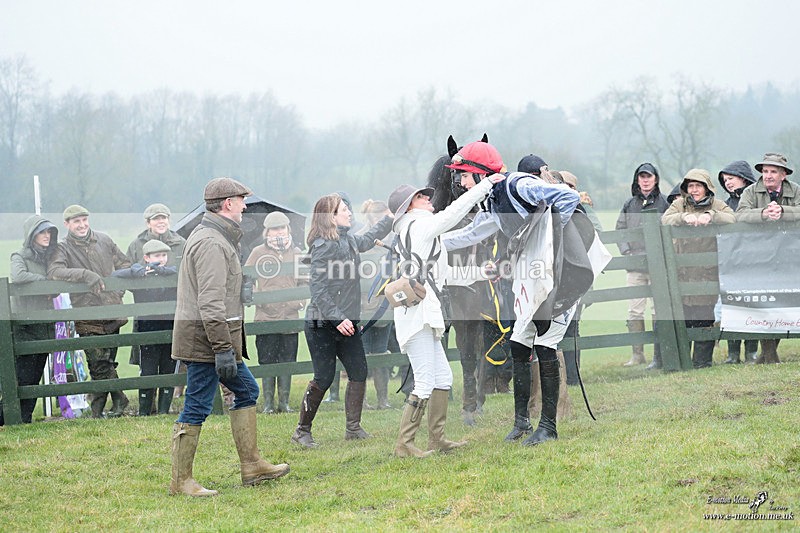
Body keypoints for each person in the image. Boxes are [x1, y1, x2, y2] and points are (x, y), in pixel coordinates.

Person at [442, 142, 605, 447]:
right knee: (519, 343)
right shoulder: (492, 201)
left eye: (464, 175)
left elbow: (568, 197)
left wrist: (550, 243)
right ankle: (520, 423)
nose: (461, 182)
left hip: (561, 273)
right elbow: (472, 234)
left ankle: (548, 425)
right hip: (533, 275)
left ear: (480, 174)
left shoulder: (519, 185)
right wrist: (434, 240)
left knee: (545, 344)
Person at [170, 177, 289, 497]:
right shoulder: (211, 241)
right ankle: (181, 482)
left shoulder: (218, 237)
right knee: (196, 405)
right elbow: (208, 302)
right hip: (206, 342)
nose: (246, 206)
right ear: (227, 204)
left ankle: (252, 466)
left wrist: (240, 291)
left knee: (247, 389)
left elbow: (217, 292)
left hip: (213, 339)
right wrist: (223, 350)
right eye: (241, 200)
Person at [388, 176, 503, 458]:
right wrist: (486, 186)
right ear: (408, 207)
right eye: (420, 197)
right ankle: (404, 445)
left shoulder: (418, 231)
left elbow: (445, 276)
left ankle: (436, 439)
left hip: (424, 314)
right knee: (426, 380)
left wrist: (480, 273)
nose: (428, 198)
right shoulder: (419, 224)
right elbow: (454, 213)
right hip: (417, 316)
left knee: (443, 378)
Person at [291, 194, 392, 448]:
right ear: (331, 217)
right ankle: (301, 431)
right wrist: (338, 320)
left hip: (346, 323)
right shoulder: (322, 246)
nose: (349, 212)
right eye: (344, 209)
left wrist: (389, 220)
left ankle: (353, 428)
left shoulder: (346, 239)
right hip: (321, 324)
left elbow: (368, 240)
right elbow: (319, 290)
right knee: (323, 378)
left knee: (359, 371)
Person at [48, 205, 132, 418]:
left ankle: (98, 410)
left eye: (84, 220)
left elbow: (125, 264)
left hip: (113, 310)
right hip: (87, 313)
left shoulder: (104, 240)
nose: (82, 225)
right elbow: (55, 271)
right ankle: (119, 399)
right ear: (67, 224)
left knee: (106, 362)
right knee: (98, 362)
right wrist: (86, 274)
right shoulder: (63, 247)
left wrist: (119, 289)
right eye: (76, 221)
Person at [662, 169, 735, 368]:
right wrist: (683, 217)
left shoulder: (717, 204)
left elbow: (732, 217)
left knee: (704, 316)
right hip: (682, 272)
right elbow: (665, 219)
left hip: (706, 272)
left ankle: (702, 362)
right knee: (684, 317)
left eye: (698, 186)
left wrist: (710, 215)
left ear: (706, 187)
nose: (694, 190)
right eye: (690, 186)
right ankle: (683, 361)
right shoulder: (679, 204)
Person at [735, 152, 800, 364]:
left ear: (783, 175)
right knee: (764, 301)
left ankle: (768, 353)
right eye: (764, 171)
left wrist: (783, 211)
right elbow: (740, 214)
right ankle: (769, 354)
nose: (768, 175)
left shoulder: (796, 190)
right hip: (759, 255)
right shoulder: (750, 191)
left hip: (788, 253)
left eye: (773, 171)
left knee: (783, 301)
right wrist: (763, 214)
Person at [244, 211, 305, 414]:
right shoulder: (257, 252)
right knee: (267, 360)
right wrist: (257, 296)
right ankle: (269, 403)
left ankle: (284, 402)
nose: (279, 232)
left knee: (287, 359)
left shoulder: (297, 253)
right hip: (265, 317)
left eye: (282, 228)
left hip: (290, 316)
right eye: (274, 229)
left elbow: (305, 281)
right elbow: (246, 279)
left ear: (288, 229)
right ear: (267, 231)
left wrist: (299, 300)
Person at [0, 216, 58, 425]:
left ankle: (25, 418)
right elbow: (19, 277)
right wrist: (46, 283)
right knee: (21, 375)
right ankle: (7, 418)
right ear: (32, 234)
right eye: (42, 232)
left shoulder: (50, 258)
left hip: (44, 324)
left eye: (49, 232)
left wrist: (53, 287)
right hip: (25, 325)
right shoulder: (20, 256)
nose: (46, 236)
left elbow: (58, 281)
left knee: (35, 375)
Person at [112, 240, 178, 415]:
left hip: (170, 329)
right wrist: (135, 270)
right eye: (157, 256)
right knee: (148, 371)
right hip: (147, 330)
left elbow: (184, 271)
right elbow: (115, 276)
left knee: (168, 369)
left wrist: (164, 271)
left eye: (164, 255)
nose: (162, 259)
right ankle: (144, 411)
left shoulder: (172, 274)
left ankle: (164, 410)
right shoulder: (140, 276)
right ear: (146, 258)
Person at [615, 163, 670, 369]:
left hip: (657, 266)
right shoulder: (629, 204)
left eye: (649, 176)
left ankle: (659, 354)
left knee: (658, 310)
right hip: (635, 266)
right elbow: (620, 229)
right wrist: (627, 252)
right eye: (642, 177)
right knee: (635, 311)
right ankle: (637, 355)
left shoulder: (664, 203)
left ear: (656, 179)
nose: (645, 180)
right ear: (637, 180)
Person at [717, 161, 758, 363]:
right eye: (725, 180)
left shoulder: (756, 199)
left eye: (731, 178)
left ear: (742, 177)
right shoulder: (726, 203)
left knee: (752, 306)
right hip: (731, 261)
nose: (728, 183)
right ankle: (733, 354)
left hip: (753, 261)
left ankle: (751, 351)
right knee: (731, 307)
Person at [358, 199, 395, 410]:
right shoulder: (362, 239)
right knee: (361, 355)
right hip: (364, 308)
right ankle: (362, 400)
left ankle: (383, 399)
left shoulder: (391, 239)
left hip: (384, 307)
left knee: (381, 353)